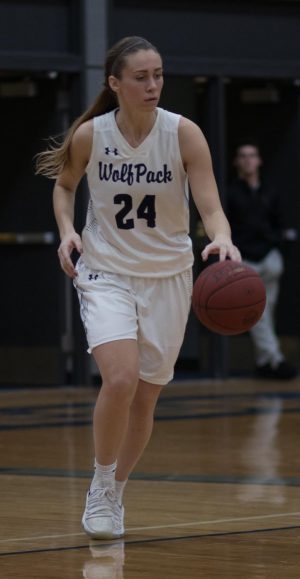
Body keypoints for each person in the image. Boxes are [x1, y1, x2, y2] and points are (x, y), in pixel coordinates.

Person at [36, 36, 241, 540]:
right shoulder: (91, 135)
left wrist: (223, 239)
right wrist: (67, 232)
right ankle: (101, 486)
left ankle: (118, 487)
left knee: (146, 399)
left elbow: (210, 205)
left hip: (169, 276)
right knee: (121, 380)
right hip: (106, 271)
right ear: (115, 84)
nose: (153, 85)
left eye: (159, 75)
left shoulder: (183, 133)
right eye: (141, 77)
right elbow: (64, 186)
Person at [227, 141, 297, 380]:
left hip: (269, 257)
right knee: (258, 314)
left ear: (259, 161)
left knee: (268, 312)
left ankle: (263, 362)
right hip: (246, 260)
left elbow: (280, 223)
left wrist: (277, 246)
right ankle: (274, 359)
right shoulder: (231, 192)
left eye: (252, 155)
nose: (248, 160)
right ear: (237, 161)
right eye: (243, 156)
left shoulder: (270, 190)